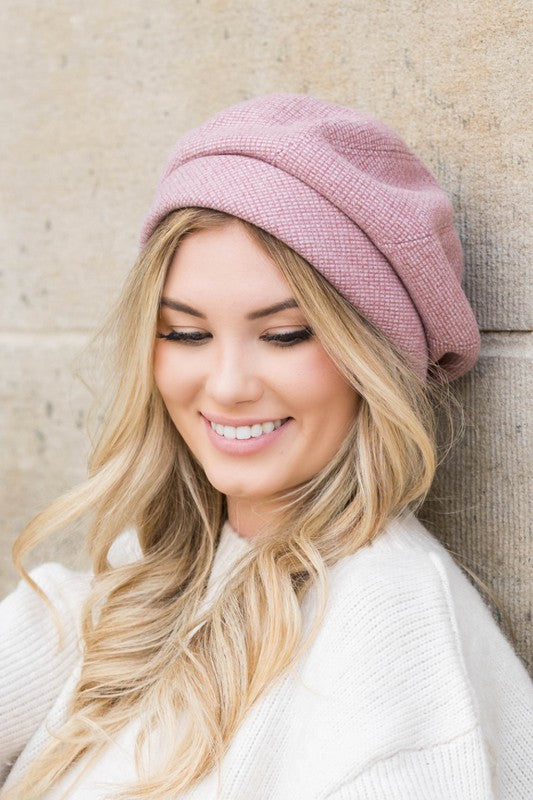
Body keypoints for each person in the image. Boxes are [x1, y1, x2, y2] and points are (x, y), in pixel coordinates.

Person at [1, 92, 531, 800]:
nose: (225, 386)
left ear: (371, 355)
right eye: (186, 333)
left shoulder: (389, 626)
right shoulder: (142, 588)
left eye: (284, 335)